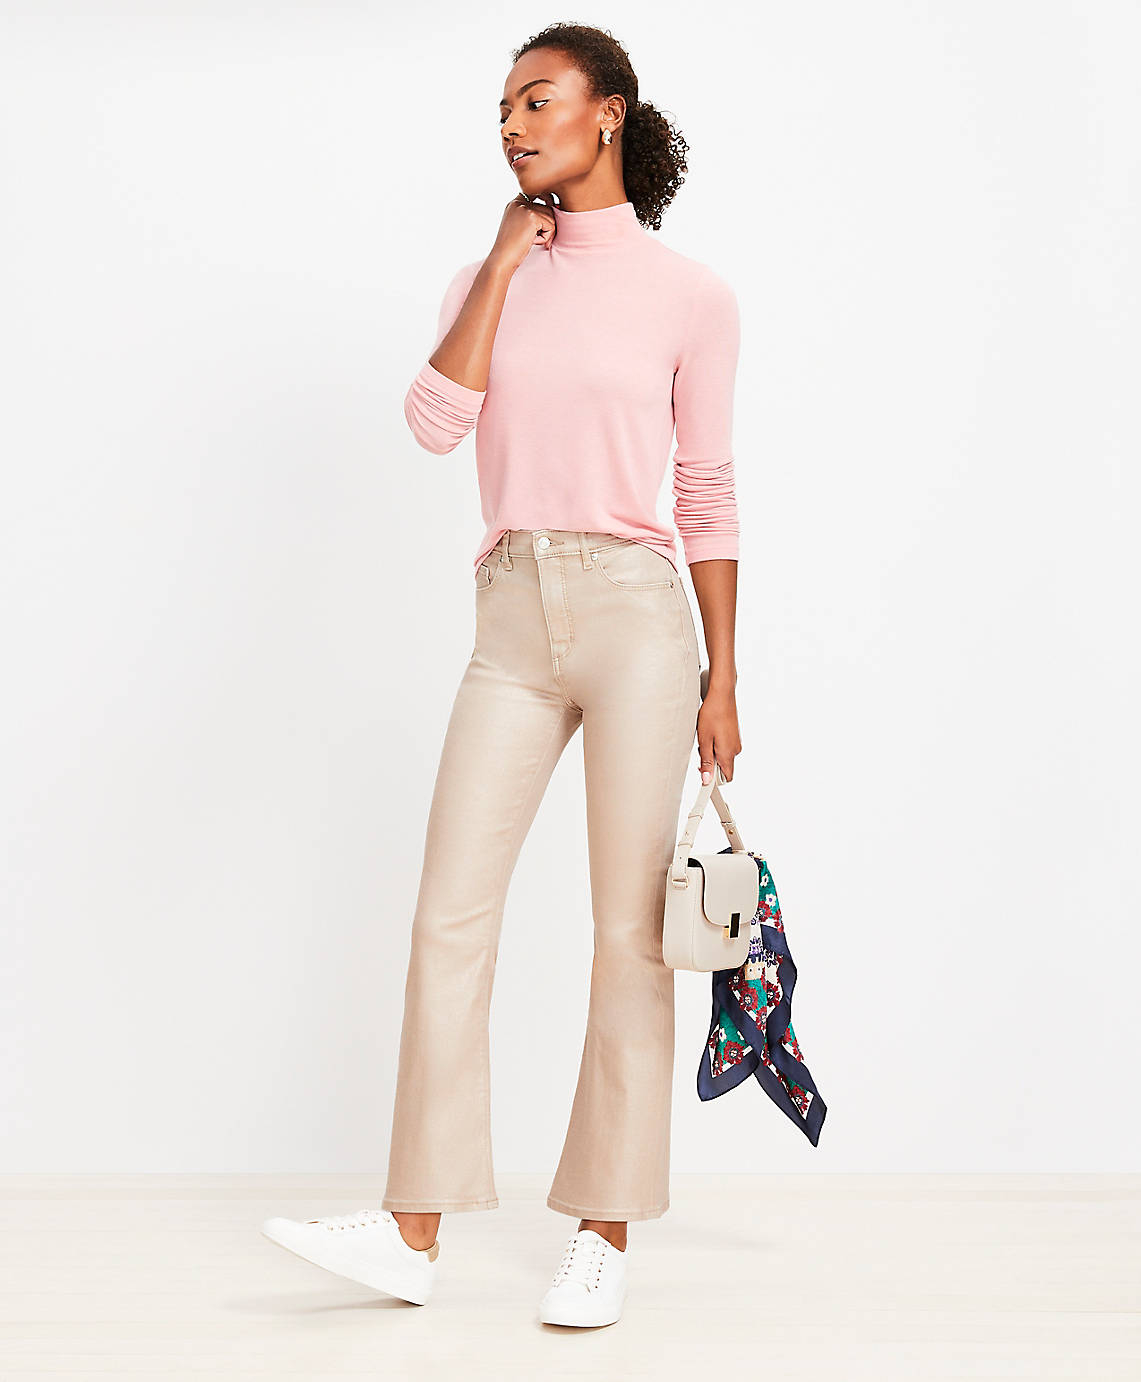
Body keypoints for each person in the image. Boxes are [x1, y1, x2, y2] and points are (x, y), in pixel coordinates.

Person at [261, 22, 742, 1329]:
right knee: (450, 913)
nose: (516, 125)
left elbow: (706, 489)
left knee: (627, 930)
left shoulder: (690, 295)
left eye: (539, 100)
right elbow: (434, 425)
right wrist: (500, 264)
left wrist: (723, 675)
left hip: (638, 616)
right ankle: (411, 1228)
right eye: (503, 111)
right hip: (512, 618)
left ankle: (604, 1229)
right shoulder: (489, 276)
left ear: (609, 112)